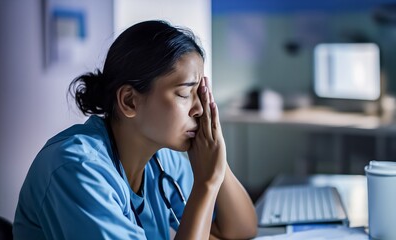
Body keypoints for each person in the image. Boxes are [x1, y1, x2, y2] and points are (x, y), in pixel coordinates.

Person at [13, 20, 257, 239]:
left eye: (200, 95)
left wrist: (216, 160)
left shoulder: (162, 159)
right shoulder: (77, 169)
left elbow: (241, 229)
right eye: (184, 93)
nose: (199, 110)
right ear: (129, 101)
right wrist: (206, 183)